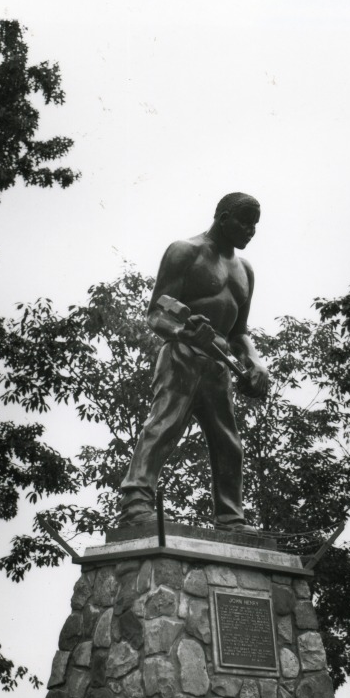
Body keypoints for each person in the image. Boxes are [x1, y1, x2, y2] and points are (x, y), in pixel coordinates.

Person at [119, 192, 269, 530]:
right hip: (182, 357)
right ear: (223, 216)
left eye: (255, 225)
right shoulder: (185, 251)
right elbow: (157, 313)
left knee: (228, 443)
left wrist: (255, 362)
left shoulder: (245, 270)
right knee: (164, 425)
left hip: (219, 366)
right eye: (244, 222)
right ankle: (136, 503)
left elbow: (239, 332)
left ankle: (231, 517)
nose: (250, 230)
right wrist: (186, 333)